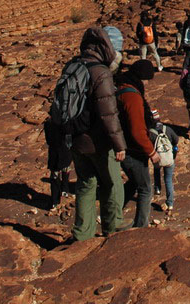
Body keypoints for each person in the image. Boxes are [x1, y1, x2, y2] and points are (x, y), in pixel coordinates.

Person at [69, 25, 127, 241]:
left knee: (85, 184)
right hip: (98, 141)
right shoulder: (101, 73)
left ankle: (82, 235)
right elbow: (108, 114)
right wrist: (120, 144)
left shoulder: (73, 65)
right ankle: (113, 229)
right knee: (113, 184)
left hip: (75, 138)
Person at [114, 60, 161, 228]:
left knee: (134, 182)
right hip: (132, 150)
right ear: (141, 78)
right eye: (147, 79)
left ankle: (114, 212)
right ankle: (141, 227)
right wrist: (151, 152)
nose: (147, 83)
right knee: (145, 188)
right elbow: (137, 130)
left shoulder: (120, 86)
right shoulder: (132, 95)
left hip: (122, 145)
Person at [148, 109, 180, 215]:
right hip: (169, 158)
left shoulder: (150, 132)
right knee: (168, 179)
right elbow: (176, 140)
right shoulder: (168, 129)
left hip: (157, 158)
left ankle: (157, 188)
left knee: (157, 170)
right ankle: (170, 203)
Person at [43, 118, 72, 209]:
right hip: (65, 150)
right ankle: (65, 189)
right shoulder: (67, 122)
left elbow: (48, 140)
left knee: (55, 174)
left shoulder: (48, 123)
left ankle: (54, 200)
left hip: (54, 152)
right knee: (66, 168)